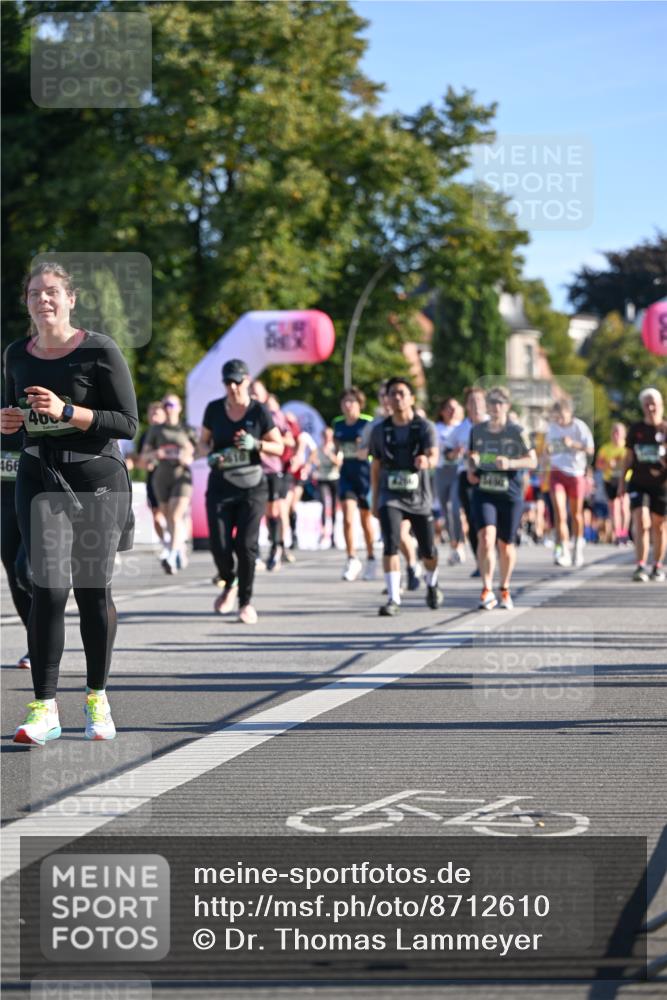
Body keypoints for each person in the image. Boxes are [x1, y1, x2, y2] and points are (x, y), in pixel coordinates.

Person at [2, 261, 137, 745]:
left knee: (90, 591)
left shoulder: (99, 350)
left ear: (71, 299)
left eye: (53, 291)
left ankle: (97, 698)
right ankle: (44, 708)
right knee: (48, 589)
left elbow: (126, 423)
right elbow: (13, 417)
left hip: (96, 481)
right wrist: (9, 424)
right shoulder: (17, 354)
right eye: (35, 292)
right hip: (39, 478)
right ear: (27, 302)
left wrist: (66, 410)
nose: (44, 299)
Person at [198, 359, 284, 623]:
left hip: (252, 486)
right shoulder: (214, 409)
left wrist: (256, 443)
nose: (233, 387)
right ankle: (229, 581)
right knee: (219, 544)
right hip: (221, 485)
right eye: (228, 382)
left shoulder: (259, 412)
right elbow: (202, 444)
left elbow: (278, 447)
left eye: (237, 381)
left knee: (246, 545)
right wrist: (210, 455)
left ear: (247, 380)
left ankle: (245, 602)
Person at [369, 376, 442, 616]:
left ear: (411, 398)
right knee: (390, 543)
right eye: (392, 394)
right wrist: (375, 498)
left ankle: (432, 584)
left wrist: (426, 460)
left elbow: (434, 456)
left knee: (428, 551)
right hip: (391, 494)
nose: (397, 398)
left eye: (402, 393)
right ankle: (393, 598)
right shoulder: (380, 430)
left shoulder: (424, 427)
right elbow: (376, 465)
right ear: (387, 399)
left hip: (419, 496)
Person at [468, 387, 537, 609]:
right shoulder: (477, 430)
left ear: (507, 406)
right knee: (486, 537)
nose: (496, 407)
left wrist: (511, 464)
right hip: (485, 490)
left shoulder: (516, 431)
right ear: (487, 406)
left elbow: (533, 461)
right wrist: (471, 465)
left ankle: (504, 588)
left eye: (500, 403)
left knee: (505, 545)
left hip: (510, 493)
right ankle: (486, 589)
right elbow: (471, 455)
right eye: (492, 403)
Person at [140, 393, 195, 574]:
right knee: (167, 515)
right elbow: (144, 457)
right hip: (161, 476)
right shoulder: (156, 431)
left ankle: (171, 554)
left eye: (171, 404)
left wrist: (188, 456)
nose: (168, 408)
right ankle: (178, 547)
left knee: (175, 515)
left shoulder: (187, 430)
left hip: (182, 476)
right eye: (165, 405)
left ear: (179, 408)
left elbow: (201, 449)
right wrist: (156, 454)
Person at [618, 387, 666, 582]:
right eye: (646, 404)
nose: (650, 408)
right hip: (639, 482)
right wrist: (622, 482)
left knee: (660, 526)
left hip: (662, 484)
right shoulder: (636, 430)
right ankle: (640, 565)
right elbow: (628, 458)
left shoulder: (665, 429)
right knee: (641, 520)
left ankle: (657, 565)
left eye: (653, 404)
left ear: (660, 405)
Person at [1, 388, 32, 668]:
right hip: (5, 502)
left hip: (37, 498)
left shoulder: (33, 393)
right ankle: (35, 640)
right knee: (13, 573)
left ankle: (48, 620)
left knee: (26, 570)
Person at [333, 387, 377, 582]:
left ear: (360, 404)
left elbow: (376, 448)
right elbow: (336, 448)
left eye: (352, 402)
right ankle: (352, 558)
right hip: (346, 474)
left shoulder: (367, 422)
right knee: (348, 518)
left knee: (366, 519)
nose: (348, 405)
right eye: (345, 402)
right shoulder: (338, 424)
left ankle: (371, 558)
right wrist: (334, 455)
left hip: (365, 474)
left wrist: (366, 451)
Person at [546, 400, 594, 567]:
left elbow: (590, 449)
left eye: (561, 416)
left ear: (569, 413)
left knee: (576, 514)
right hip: (557, 472)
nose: (559, 420)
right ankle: (563, 549)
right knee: (559, 512)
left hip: (576, 473)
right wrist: (548, 451)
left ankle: (577, 546)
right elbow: (547, 448)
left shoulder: (579, 427)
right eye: (556, 416)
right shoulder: (552, 428)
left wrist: (573, 444)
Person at [447, 387, 489, 575]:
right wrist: (454, 453)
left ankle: (491, 554)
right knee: (473, 519)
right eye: (472, 401)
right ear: (467, 405)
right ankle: (480, 561)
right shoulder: (460, 429)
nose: (476, 405)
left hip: (491, 476)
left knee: (489, 520)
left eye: (479, 401)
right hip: (467, 476)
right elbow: (446, 452)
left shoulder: (494, 424)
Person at [134, 401, 169, 559]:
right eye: (151, 413)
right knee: (156, 515)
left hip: (171, 479)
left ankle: (176, 545)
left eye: (157, 412)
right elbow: (141, 462)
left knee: (171, 513)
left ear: (164, 415)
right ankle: (166, 543)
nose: (154, 416)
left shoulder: (171, 432)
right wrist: (149, 460)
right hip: (153, 479)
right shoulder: (145, 436)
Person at [434, 397, 466, 564]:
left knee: (454, 508)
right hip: (441, 471)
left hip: (458, 471)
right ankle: (453, 544)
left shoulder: (463, 428)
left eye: (455, 407)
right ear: (442, 411)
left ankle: (459, 545)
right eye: (448, 408)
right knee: (445, 512)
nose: (452, 411)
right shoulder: (436, 428)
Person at [595, 423, 630, 544]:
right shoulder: (605, 448)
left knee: (624, 506)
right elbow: (598, 464)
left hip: (625, 479)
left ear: (624, 434)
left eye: (618, 432)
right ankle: (618, 534)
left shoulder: (627, 447)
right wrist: (607, 465)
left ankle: (624, 533)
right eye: (614, 431)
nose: (616, 434)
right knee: (614, 508)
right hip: (610, 479)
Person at [313, 426, 342, 547]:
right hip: (322, 479)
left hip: (334, 478)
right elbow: (313, 461)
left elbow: (338, 463)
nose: (326, 438)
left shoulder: (336, 448)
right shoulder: (318, 448)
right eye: (325, 436)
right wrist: (315, 465)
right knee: (325, 504)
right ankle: (323, 531)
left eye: (329, 436)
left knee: (334, 505)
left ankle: (333, 535)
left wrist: (330, 455)